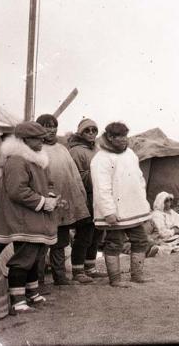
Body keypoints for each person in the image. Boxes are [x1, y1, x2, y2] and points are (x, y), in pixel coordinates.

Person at [0, 121, 60, 313]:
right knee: (23, 258)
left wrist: (51, 198)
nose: (41, 142)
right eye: (36, 139)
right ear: (23, 140)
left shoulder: (36, 159)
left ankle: (31, 293)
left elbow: (48, 184)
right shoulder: (17, 160)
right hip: (22, 218)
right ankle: (18, 300)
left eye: (42, 138)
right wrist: (43, 202)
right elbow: (17, 191)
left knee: (34, 256)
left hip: (34, 215)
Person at [90, 122, 153, 287]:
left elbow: (139, 179)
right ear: (110, 137)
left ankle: (137, 275)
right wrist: (109, 211)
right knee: (114, 243)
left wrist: (143, 203)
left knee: (140, 240)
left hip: (133, 209)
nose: (125, 140)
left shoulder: (130, 154)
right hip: (115, 211)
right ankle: (115, 280)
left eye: (126, 136)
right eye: (120, 136)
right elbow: (101, 187)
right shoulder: (101, 158)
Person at [36, 114, 92, 286]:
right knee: (42, 242)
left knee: (60, 241)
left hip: (64, 204)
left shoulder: (62, 149)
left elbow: (73, 175)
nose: (51, 130)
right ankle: (37, 281)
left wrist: (80, 196)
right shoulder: (36, 150)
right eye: (46, 126)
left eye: (54, 126)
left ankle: (60, 277)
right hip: (45, 204)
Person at [67, 118, 107, 278]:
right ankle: (77, 270)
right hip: (84, 198)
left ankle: (90, 267)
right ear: (81, 133)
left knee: (97, 233)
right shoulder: (75, 151)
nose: (91, 133)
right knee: (84, 234)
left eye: (94, 130)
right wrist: (98, 174)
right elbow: (74, 176)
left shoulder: (97, 150)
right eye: (87, 130)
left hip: (98, 198)